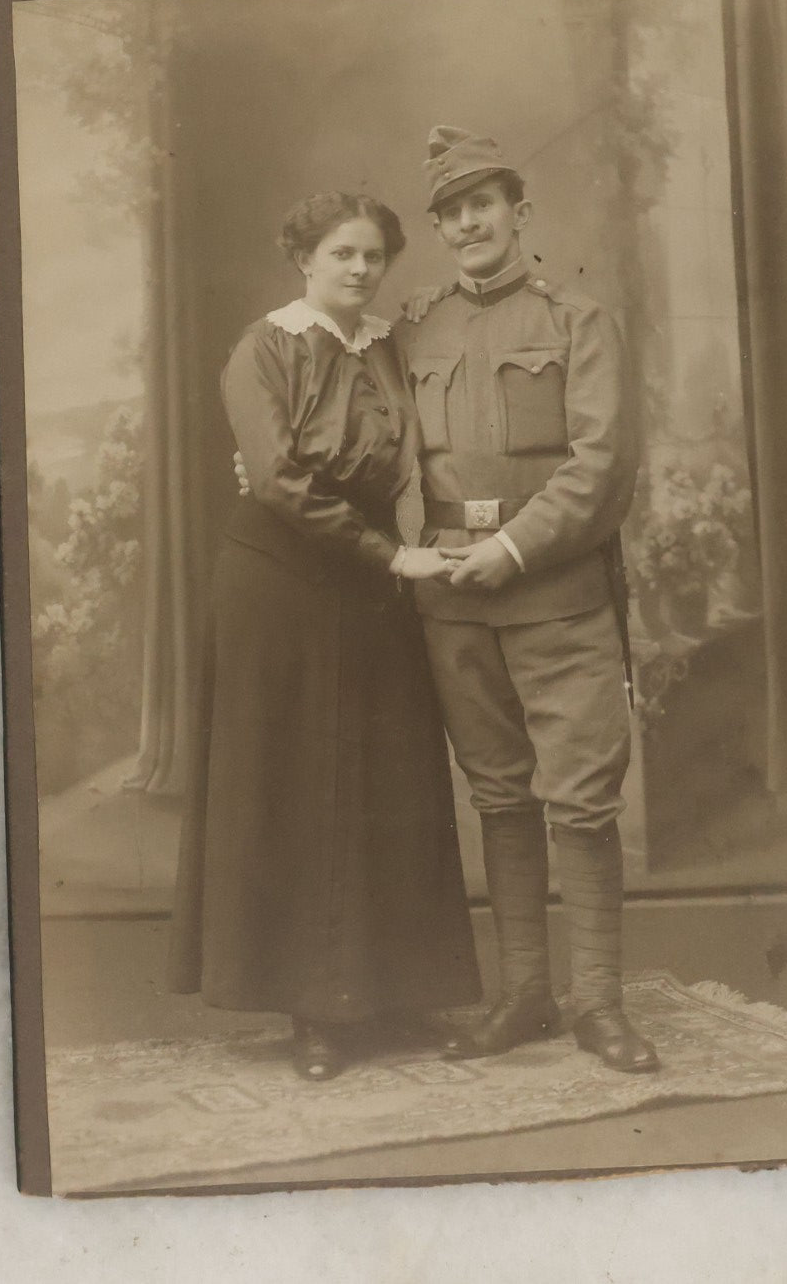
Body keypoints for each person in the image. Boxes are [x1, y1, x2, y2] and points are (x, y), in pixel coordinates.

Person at [168, 191, 481, 1082]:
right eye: (342, 253)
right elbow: (274, 478)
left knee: (392, 776)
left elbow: (417, 446)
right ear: (304, 258)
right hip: (282, 582)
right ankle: (317, 1010)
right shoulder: (262, 348)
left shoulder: (389, 345)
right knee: (302, 785)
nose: (359, 269)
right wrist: (391, 555)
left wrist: (398, 553)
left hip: (376, 582)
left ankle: (403, 992)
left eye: (373, 256)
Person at [399, 127, 659, 1073]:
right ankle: (523, 996)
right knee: (499, 796)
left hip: (554, 596)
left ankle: (598, 1004)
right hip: (452, 604)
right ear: (437, 228)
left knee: (582, 801)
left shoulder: (576, 320)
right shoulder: (415, 327)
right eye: (450, 211)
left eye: (483, 203)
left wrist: (512, 546)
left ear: (519, 211)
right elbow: (375, 438)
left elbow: (604, 466)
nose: (468, 222)